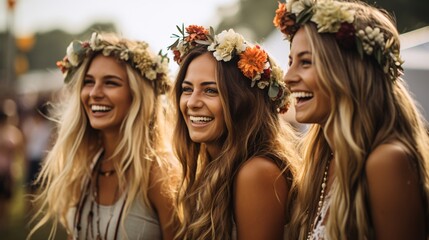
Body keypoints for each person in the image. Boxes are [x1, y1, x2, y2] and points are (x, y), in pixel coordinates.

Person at [274, 0, 429, 239]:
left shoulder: (386, 160)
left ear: (349, 70)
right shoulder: (321, 160)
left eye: (305, 62)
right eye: (291, 62)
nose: (289, 77)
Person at [29, 32, 178, 240]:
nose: (94, 93)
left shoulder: (159, 174)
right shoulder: (83, 166)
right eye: (89, 82)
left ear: (137, 94)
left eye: (110, 83)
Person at [168, 24, 300, 240]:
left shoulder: (256, 172)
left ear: (243, 102)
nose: (192, 103)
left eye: (211, 90)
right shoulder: (211, 169)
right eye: (187, 89)